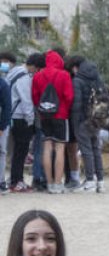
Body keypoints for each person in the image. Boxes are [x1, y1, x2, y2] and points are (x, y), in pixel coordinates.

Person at [30, 50, 74, 194]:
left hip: (44, 116)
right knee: (60, 148)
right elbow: (69, 96)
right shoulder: (64, 75)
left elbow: (35, 97)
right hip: (61, 115)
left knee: (47, 148)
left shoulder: (37, 76)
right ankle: (57, 184)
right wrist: (64, 109)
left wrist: (42, 109)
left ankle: (48, 183)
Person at [66, 55, 105, 192]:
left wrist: (75, 122)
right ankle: (100, 181)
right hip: (97, 119)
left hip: (82, 120)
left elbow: (76, 104)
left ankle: (89, 181)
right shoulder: (97, 79)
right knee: (96, 150)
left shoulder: (77, 81)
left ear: (75, 67)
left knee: (86, 151)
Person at [4, 53, 36, 192]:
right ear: (33, 66)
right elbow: (26, 98)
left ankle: (15, 180)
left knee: (16, 151)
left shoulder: (14, 72)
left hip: (13, 116)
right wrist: (30, 119)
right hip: (20, 117)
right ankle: (16, 181)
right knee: (21, 151)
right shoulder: (24, 76)